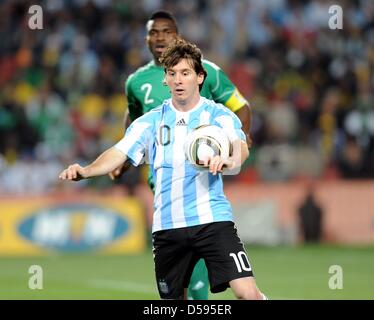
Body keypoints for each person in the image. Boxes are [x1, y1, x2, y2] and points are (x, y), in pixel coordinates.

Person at [59, 38, 266, 300]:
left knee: (248, 294)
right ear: (165, 80)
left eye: (185, 73)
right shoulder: (151, 121)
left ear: (200, 77)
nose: (178, 80)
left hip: (212, 221)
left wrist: (230, 160)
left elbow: (240, 146)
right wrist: (87, 170)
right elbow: (119, 152)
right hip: (167, 228)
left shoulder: (218, 115)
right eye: (172, 73)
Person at [110, 10, 253, 300]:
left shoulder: (208, 70)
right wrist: (124, 160)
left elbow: (241, 106)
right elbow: (133, 124)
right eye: (154, 32)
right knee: (176, 286)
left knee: (199, 276)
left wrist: (236, 143)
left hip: (202, 175)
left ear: (177, 35)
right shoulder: (135, 82)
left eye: (167, 31)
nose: (160, 37)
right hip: (162, 183)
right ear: (147, 38)